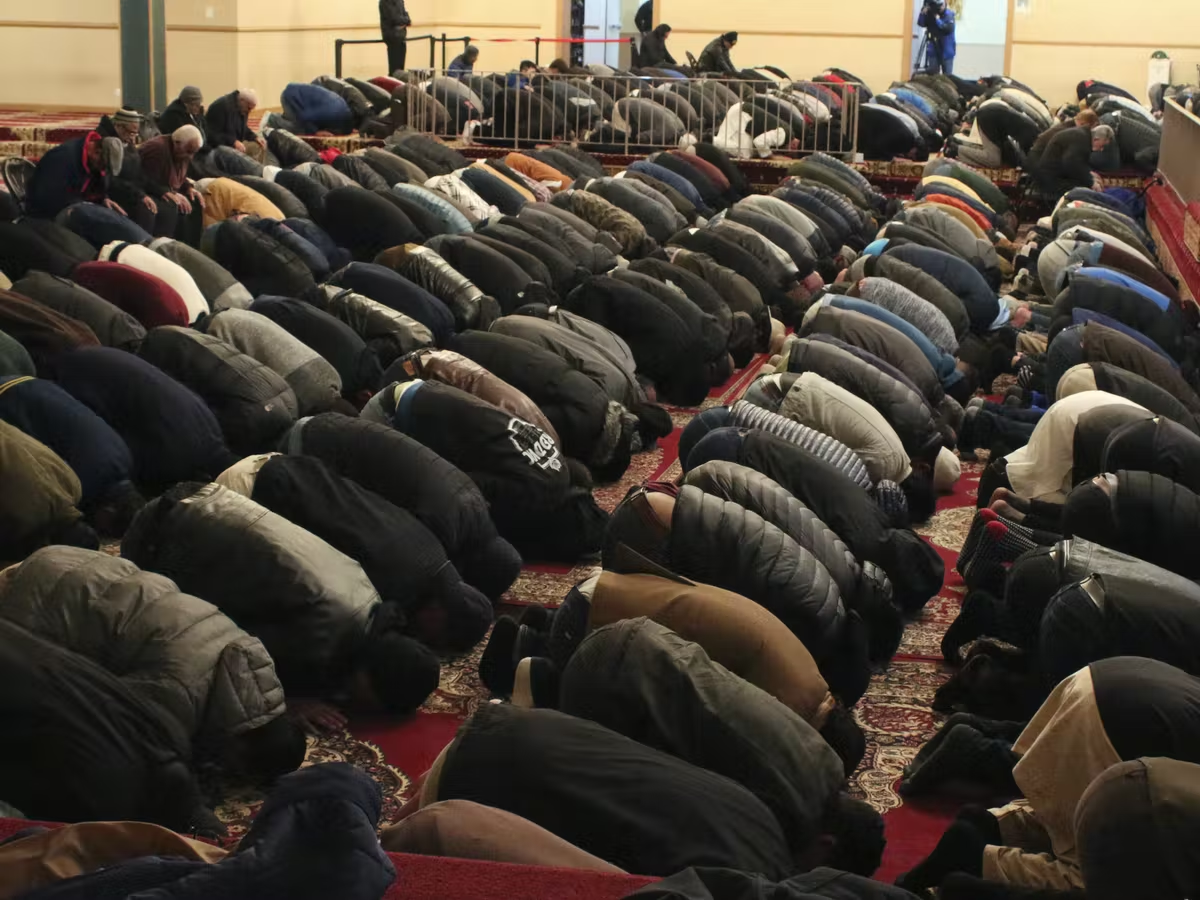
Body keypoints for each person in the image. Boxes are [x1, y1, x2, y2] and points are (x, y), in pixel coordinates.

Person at [122, 481, 443, 729]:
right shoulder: (323, 637)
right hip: (158, 535)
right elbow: (229, 650)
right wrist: (285, 702)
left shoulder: (373, 604)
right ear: (370, 678)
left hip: (203, 496)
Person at [897, 657, 1200, 894]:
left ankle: (987, 825)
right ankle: (974, 858)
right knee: (1095, 875)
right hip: (1127, 721)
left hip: (1099, 680)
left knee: (1069, 811)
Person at [0, 547, 306, 781]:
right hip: (44, 598)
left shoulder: (252, 656)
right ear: (242, 748)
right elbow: (107, 722)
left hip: (82, 564)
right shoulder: (179, 693)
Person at [23, 131, 121, 219]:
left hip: (74, 211)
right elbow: (49, 196)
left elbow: (94, 188)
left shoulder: (93, 163)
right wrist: (81, 206)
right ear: (96, 152)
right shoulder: (62, 157)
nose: (102, 170)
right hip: (43, 216)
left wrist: (103, 199)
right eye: (103, 166)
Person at [137, 125, 206, 246]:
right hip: (148, 191)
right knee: (172, 205)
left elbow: (179, 176)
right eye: (189, 152)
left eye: (193, 153)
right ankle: (164, 247)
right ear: (177, 143)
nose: (191, 157)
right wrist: (171, 193)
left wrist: (188, 188)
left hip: (163, 189)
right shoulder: (157, 149)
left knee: (195, 200)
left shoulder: (180, 152)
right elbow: (144, 179)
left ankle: (189, 247)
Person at [1030, 123, 1120, 198]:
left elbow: (1077, 163)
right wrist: (1091, 182)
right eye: (1102, 145)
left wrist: (1089, 173)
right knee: (1086, 191)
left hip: (1053, 175)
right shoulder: (1081, 140)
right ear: (1096, 139)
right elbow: (1071, 163)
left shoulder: (1082, 136)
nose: (1101, 149)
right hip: (1051, 180)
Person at [205, 89, 263, 153]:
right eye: (249, 108)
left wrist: (255, 137)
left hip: (233, 146)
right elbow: (212, 134)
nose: (249, 112)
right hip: (216, 148)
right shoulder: (221, 106)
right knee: (242, 157)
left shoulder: (242, 108)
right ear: (242, 100)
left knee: (257, 146)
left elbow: (242, 129)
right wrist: (233, 142)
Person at [917, 0, 957, 75]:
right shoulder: (931, 14)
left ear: (945, 3)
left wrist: (938, 20)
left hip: (946, 51)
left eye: (941, 5)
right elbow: (921, 23)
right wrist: (922, 13)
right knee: (933, 73)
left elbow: (948, 29)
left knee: (947, 76)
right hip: (933, 49)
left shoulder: (949, 15)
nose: (939, 7)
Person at [379, 0, 412, 77]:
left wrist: (405, 21)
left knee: (400, 70)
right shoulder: (385, 2)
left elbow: (407, 17)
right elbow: (395, 19)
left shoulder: (400, 1)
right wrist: (405, 21)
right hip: (392, 37)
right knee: (394, 71)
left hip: (401, 36)